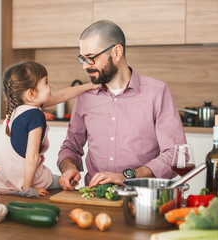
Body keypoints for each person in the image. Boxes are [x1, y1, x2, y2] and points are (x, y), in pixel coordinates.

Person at [57, 20, 187, 190]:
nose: (84, 66)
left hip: (143, 200)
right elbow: (70, 147)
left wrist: (128, 176)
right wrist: (69, 167)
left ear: (117, 52)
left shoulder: (158, 92)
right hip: (96, 198)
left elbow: (176, 155)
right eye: (82, 58)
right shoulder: (85, 97)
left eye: (91, 58)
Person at [0, 61, 98, 196]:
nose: (50, 85)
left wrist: (89, 86)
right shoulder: (35, 115)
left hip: (4, 182)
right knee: (60, 181)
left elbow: (62, 95)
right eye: (46, 82)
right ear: (31, 94)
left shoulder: (17, 108)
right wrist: (28, 189)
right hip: (25, 181)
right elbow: (32, 157)